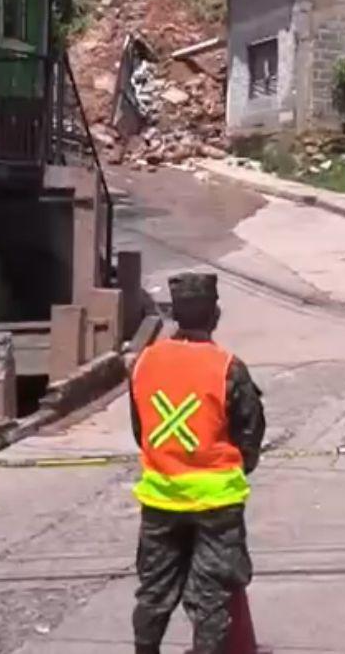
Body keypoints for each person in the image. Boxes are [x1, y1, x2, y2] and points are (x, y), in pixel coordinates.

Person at [129, 272, 266, 654]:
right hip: (216, 503)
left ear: (176, 317)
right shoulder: (227, 367)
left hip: (160, 499)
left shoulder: (144, 363)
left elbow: (141, 430)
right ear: (215, 315)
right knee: (210, 598)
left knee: (154, 593)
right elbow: (249, 435)